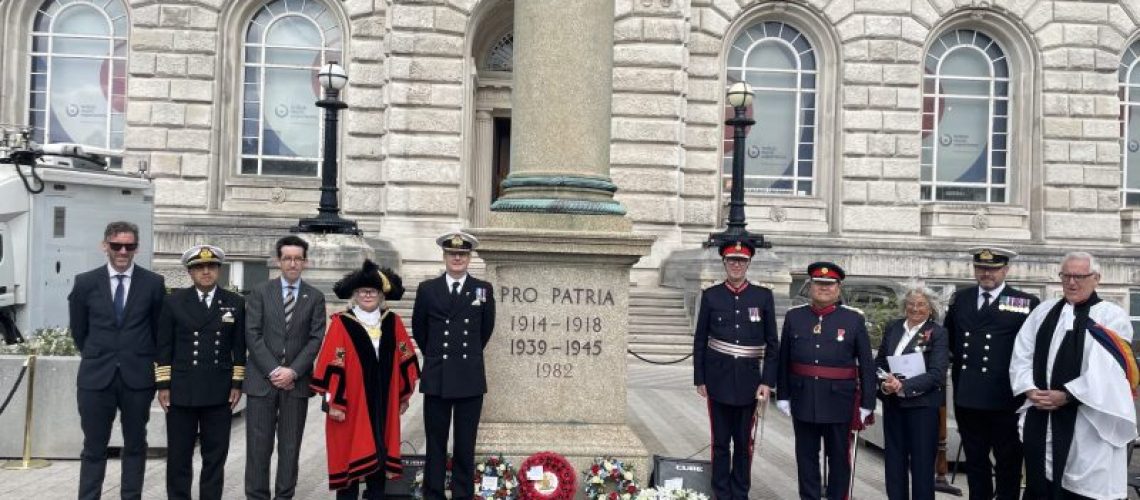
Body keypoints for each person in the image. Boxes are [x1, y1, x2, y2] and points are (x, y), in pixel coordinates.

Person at [1010, 252, 1137, 500]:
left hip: (1087, 420)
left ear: (1096, 278)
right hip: (1042, 413)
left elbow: (1108, 370)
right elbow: (1022, 352)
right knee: (1040, 484)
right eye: (1066, 276)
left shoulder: (1111, 316)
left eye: (1079, 276)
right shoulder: (1044, 312)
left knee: (1081, 486)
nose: (1071, 282)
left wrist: (1068, 395)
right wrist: (1029, 389)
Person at [68, 221, 166, 500]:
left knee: (136, 444)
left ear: (137, 248)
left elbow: (159, 330)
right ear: (105, 246)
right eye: (116, 245)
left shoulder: (153, 283)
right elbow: (79, 330)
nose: (123, 251)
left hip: (138, 378)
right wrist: (99, 353)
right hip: (96, 378)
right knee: (93, 446)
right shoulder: (85, 283)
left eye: (129, 245)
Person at [312, 260, 420, 499]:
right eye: (362, 291)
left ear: (382, 295)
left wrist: (403, 396)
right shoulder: (341, 323)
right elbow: (330, 365)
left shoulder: (392, 321)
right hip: (350, 405)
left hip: (383, 402)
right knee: (349, 456)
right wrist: (332, 403)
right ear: (354, 295)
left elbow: (406, 359)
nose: (367, 295)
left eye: (373, 291)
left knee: (380, 458)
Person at [944, 246, 1039, 500]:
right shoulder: (960, 299)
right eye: (981, 268)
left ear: (1005, 270)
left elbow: (1033, 350)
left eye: (993, 269)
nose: (986, 273)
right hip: (968, 397)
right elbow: (950, 342)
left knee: (1008, 461)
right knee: (975, 461)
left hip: (1005, 398)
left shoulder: (1024, 303)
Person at [776, 262, 876, 500]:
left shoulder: (853, 320)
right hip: (804, 398)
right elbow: (784, 360)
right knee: (806, 458)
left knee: (839, 460)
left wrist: (867, 402)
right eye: (818, 284)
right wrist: (783, 394)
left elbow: (866, 364)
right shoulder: (795, 317)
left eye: (829, 285)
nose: (823, 289)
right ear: (810, 286)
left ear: (838, 289)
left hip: (839, 401)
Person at [155, 245, 246, 500]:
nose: (206, 272)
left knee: (215, 457)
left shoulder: (234, 302)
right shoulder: (173, 301)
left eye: (211, 267)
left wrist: (237, 383)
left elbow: (239, 347)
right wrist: (163, 385)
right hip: (182, 391)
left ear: (218, 269)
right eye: (199, 268)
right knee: (179, 457)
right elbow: (164, 346)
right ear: (190, 272)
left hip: (219, 392)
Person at [412, 231, 496, 500]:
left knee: (465, 444)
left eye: (462, 253)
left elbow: (485, 330)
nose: (457, 257)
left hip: (469, 377)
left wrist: (466, 357)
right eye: (452, 253)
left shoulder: (482, 289)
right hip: (437, 376)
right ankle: (433, 493)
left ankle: (462, 494)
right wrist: (436, 357)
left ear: (470, 257)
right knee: (435, 443)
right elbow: (420, 330)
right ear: (445, 256)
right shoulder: (427, 290)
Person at [692, 239, 778, 500]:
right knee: (720, 443)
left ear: (748, 263)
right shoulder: (711, 296)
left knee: (743, 444)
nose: (736, 265)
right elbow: (700, 340)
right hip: (718, 380)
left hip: (750, 384)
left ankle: (740, 492)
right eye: (732, 260)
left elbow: (772, 343)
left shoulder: (762, 297)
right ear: (724, 263)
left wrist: (767, 381)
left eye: (741, 261)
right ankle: (721, 492)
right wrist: (700, 379)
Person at [244, 235, 327, 500]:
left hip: (296, 384)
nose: (292, 263)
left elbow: (316, 339)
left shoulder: (314, 297)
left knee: (290, 447)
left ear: (306, 262)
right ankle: (257, 496)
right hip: (262, 382)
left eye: (297, 258)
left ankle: (284, 496)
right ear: (278, 261)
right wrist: (274, 371)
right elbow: (253, 335)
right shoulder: (260, 292)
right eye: (287, 258)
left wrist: (293, 371)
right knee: (259, 447)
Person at [875, 286, 949, 500]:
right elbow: (879, 361)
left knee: (922, 466)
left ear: (931, 308)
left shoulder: (937, 332)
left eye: (921, 304)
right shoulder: (893, 327)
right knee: (894, 463)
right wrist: (885, 383)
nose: (915, 309)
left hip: (922, 409)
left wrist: (904, 386)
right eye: (911, 304)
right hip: (894, 406)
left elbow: (937, 373)